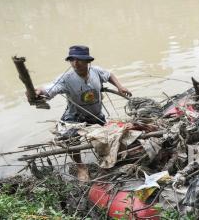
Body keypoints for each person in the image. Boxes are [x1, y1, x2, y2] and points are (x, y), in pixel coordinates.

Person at [35, 45, 132, 182]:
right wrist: (38, 92)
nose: (75, 63)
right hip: (74, 116)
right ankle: (81, 166)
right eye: (72, 60)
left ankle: (106, 159)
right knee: (69, 140)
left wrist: (120, 86)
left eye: (79, 60)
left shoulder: (96, 71)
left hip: (96, 115)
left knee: (109, 137)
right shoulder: (66, 78)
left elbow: (109, 75)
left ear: (87, 61)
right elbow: (51, 88)